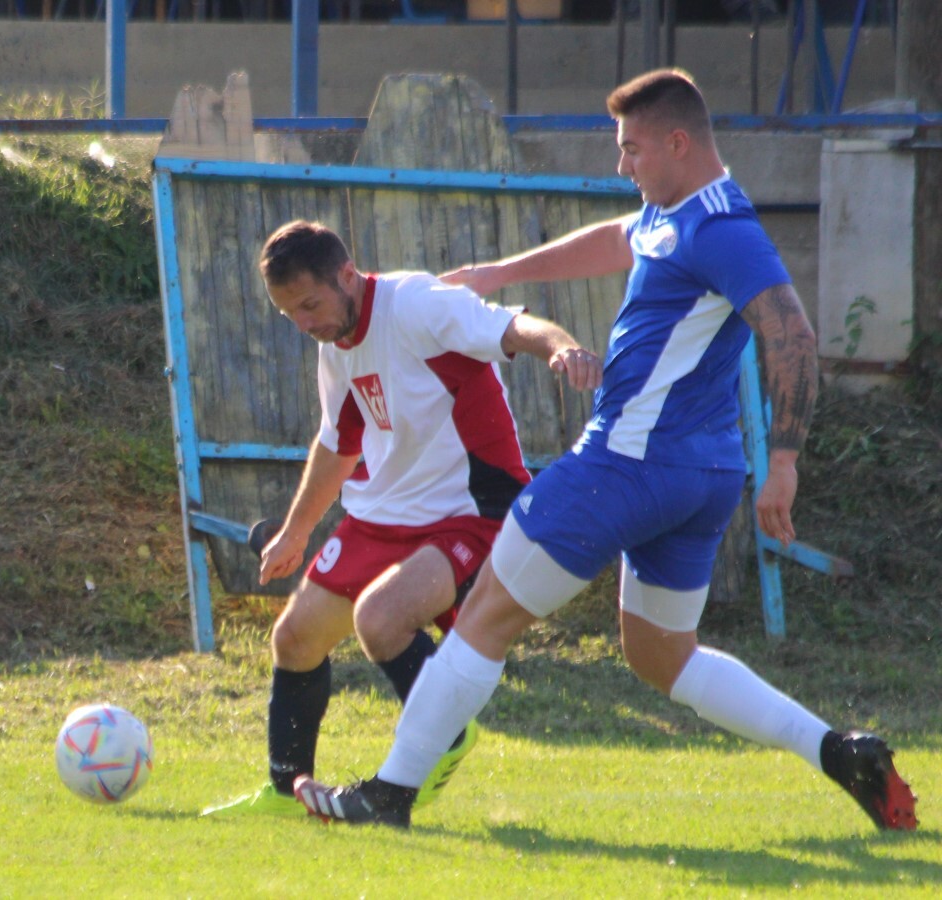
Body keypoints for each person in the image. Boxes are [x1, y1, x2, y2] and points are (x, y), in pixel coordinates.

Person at [294, 69, 919, 832]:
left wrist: (784, 461)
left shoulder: (717, 230)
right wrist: (505, 271)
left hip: (625, 464)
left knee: (484, 615)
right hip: (701, 477)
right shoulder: (677, 211)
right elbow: (620, 238)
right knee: (664, 657)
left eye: (632, 149)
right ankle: (836, 751)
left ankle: (386, 796)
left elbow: (791, 334)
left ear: (677, 142)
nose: (623, 165)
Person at [203, 219, 602, 816]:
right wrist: (296, 530)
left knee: (381, 619)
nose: (306, 324)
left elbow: (511, 326)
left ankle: (443, 734)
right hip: (381, 516)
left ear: (346, 276)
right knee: (293, 638)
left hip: (467, 511)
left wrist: (561, 345)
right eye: (291, 316)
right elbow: (338, 442)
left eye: (310, 304)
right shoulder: (333, 345)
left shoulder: (415, 304)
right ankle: (287, 794)